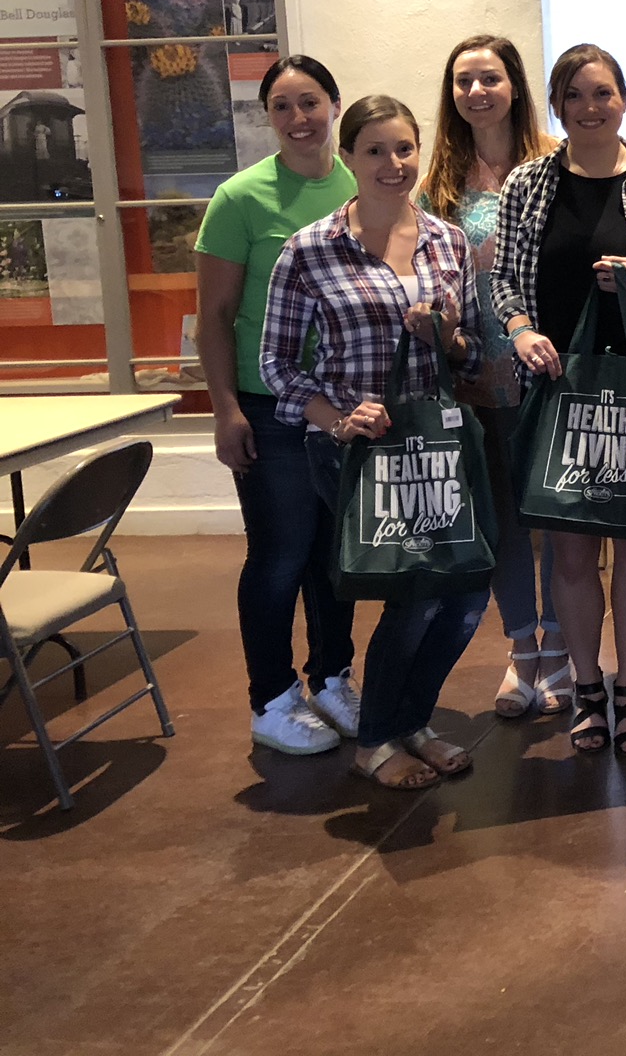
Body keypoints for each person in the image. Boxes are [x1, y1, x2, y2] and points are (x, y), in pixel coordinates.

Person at [260, 96, 487, 790]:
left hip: (436, 447)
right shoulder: (310, 248)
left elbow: (472, 354)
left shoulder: (447, 242)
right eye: (375, 151)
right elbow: (277, 363)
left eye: (405, 149)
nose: (393, 164)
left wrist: (443, 337)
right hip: (357, 452)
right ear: (349, 159)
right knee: (414, 593)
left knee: (467, 590)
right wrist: (334, 419)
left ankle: (410, 721)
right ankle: (378, 740)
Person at [494, 45, 626, 759]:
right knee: (572, 553)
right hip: (560, 394)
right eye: (574, 95)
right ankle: (586, 689)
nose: (590, 106)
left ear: (624, 100)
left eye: (602, 93)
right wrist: (520, 331)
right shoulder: (527, 185)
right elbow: (506, 284)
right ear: (557, 105)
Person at [195, 55, 360, 757]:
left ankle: (331, 678)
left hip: (347, 409)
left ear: (333, 105)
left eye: (311, 102)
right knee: (280, 556)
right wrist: (225, 408)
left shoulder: (360, 180)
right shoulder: (240, 199)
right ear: (268, 117)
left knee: (337, 556)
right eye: (284, 106)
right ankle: (270, 697)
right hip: (271, 408)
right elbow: (215, 315)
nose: (300, 118)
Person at [418, 34, 564, 721]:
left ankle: (564, 645)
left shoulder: (553, 158)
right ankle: (521, 649)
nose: (476, 92)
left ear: (514, 84)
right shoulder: (439, 181)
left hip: (549, 361)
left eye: (490, 78)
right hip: (478, 371)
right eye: (463, 82)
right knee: (503, 517)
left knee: (561, 515)